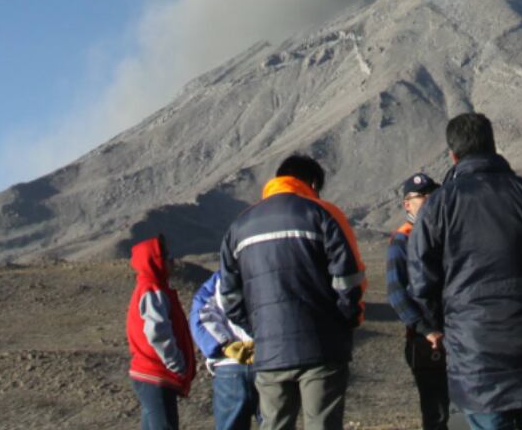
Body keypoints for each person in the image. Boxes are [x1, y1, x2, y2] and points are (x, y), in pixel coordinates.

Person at [409, 113, 522, 430]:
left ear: (453, 156)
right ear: (493, 146)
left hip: (474, 354)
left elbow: (420, 281)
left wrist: (445, 325)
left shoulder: (439, 206)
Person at [219, 155, 366, 430]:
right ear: (312, 183)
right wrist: (346, 320)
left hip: (270, 352)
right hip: (322, 348)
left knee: (274, 424)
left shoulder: (239, 227)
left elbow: (228, 295)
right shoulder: (321, 213)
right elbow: (348, 278)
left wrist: (259, 330)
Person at [387, 171, 450, 430]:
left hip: (459, 334)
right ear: (407, 204)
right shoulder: (402, 240)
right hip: (425, 342)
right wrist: (425, 330)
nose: (428, 199)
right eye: (421, 195)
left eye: (431, 194)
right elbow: (396, 292)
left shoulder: (445, 233)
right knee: (437, 413)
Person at [128, 234, 199, 430]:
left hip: (150, 374)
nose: (171, 262)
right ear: (154, 261)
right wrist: (175, 362)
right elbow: (157, 331)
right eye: (165, 257)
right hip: (156, 373)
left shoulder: (151, 288)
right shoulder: (152, 290)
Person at [189, 267, 260, 430]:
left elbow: (200, 315)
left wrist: (225, 345)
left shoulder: (220, 279)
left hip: (229, 367)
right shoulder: (274, 270)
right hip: (268, 363)